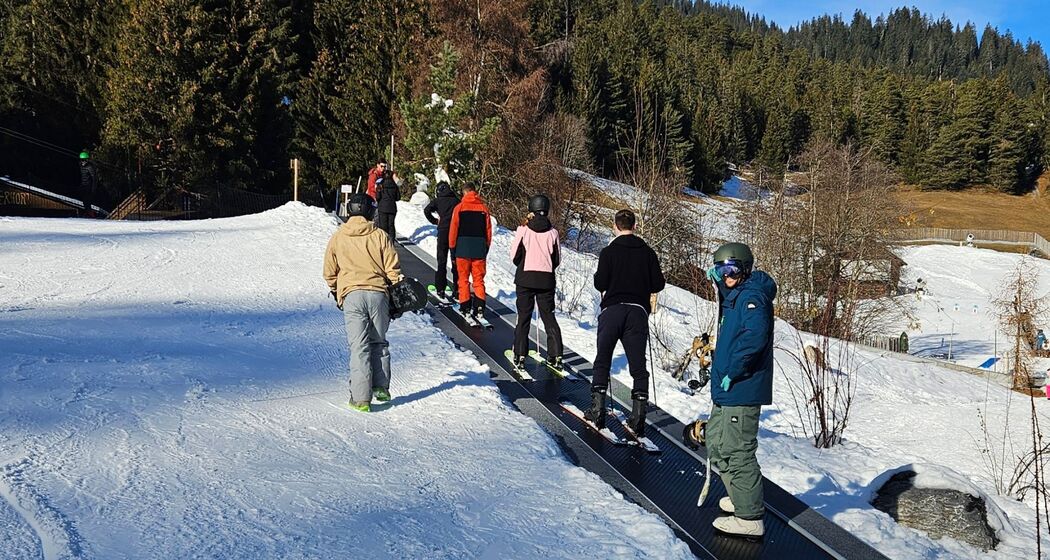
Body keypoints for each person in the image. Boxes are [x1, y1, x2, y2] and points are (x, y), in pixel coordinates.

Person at [701, 242, 777, 538]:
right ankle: (740, 498)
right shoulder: (735, 296)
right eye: (721, 271)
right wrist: (719, 284)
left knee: (737, 450)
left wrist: (733, 370)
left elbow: (755, 337)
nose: (726, 276)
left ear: (744, 270)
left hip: (742, 386)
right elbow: (729, 297)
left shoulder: (752, 297)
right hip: (727, 388)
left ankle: (749, 517)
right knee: (718, 444)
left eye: (731, 270)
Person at [584, 209, 665, 437]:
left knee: (603, 360)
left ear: (615, 226)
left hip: (613, 310)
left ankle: (597, 412)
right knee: (638, 366)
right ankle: (638, 419)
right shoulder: (648, 253)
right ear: (635, 226)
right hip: (637, 312)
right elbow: (658, 284)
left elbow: (600, 283)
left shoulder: (609, 251)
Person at [323, 192, 402, 413]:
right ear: (370, 211)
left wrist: (336, 290)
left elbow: (329, 271)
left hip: (352, 294)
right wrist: (396, 292)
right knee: (379, 341)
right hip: (378, 293)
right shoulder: (380, 235)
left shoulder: (338, 237)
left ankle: (360, 399)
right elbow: (392, 268)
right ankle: (381, 387)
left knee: (359, 346)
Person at [509, 194, 564, 369]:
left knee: (524, 316)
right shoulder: (553, 232)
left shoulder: (523, 230)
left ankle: (519, 354)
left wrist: (524, 264)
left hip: (525, 277)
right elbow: (557, 259)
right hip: (546, 279)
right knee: (548, 316)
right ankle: (555, 355)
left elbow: (514, 255)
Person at [448, 184, 492, 320]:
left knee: (463, 279)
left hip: (462, 248)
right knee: (479, 280)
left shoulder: (459, 208)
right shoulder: (484, 209)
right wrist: (485, 248)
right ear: (475, 192)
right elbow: (488, 231)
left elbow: (453, 230)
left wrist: (452, 249)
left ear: (464, 193)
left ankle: (465, 306)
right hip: (479, 248)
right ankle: (479, 306)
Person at [423, 181, 461, 301]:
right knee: (455, 261)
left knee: (442, 259)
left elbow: (426, 210)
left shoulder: (438, 200)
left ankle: (440, 288)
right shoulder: (456, 200)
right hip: (455, 232)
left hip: (443, 230)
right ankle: (458, 289)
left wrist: (435, 221)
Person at [374, 169, 400, 240]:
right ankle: (391, 241)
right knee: (391, 225)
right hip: (392, 208)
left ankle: (384, 241)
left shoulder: (380, 185)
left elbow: (377, 197)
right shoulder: (395, 186)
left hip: (382, 207)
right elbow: (398, 198)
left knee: (383, 226)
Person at [79, 151, 98, 218]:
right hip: (83, 185)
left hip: (89, 186)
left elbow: (94, 178)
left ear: (87, 160)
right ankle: (87, 212)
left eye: (84, 160)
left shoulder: (90, 167)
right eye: (81, 160)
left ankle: (91, 214)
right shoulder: (80, 165)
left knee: (87, 201)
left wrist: (93, 188)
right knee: (84, 201)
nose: (83, 162)